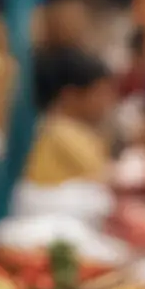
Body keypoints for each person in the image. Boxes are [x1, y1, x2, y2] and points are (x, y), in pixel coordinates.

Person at [24, 44, 117, 188]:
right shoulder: (59, 133)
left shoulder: (76, 131)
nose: (107, 101)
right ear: (70, 96)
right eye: (100, 93)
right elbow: (107, 180)